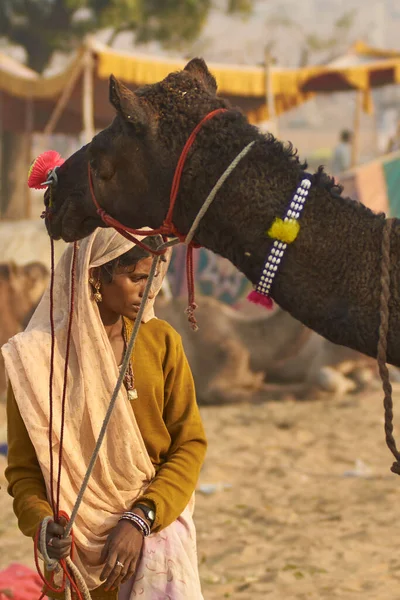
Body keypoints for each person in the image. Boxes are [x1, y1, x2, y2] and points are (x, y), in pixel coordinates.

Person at [2, 228, 207, 599]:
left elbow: (189, 444)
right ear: (96, 275)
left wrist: (141, 518)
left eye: (154, 275)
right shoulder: (34, 361)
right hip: (77, 552)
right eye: (138, 278)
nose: (150, 289)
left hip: (154, 534)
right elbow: (23, 470)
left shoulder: (161, 342)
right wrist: (42, 524)